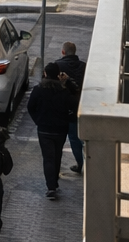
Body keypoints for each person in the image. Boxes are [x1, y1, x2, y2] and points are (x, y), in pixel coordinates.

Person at [27, 62, 79, 200]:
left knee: (48, 158)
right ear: (58, 74)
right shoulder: (63, 91)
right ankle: (54, 181)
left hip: (44, 129)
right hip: (60, 129)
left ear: (44, 73)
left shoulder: (38, 89)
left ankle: (51, 186)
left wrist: (38, 120)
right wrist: (67, 82)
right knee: (57, 155)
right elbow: (75, 101)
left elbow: (30, 106)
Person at [57, 42, 87, 173]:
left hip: (64, 108)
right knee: (77, 136)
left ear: (63, 52)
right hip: (81, 105)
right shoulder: (83, 66)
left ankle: (80, 163)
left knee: (68, 138)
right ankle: (83, 162)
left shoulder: (58, 65)